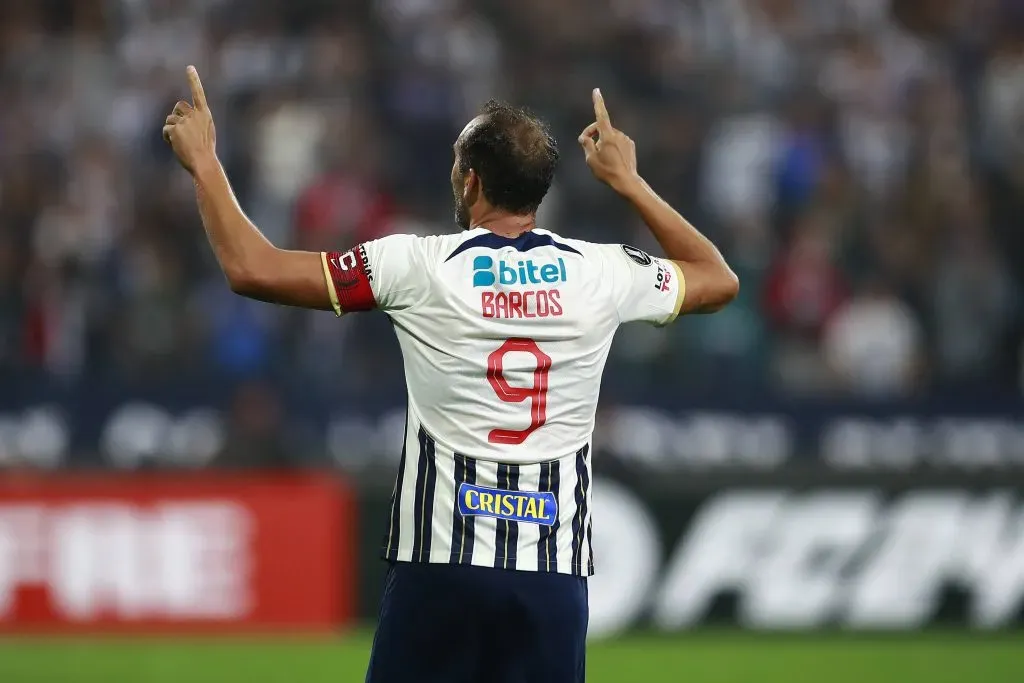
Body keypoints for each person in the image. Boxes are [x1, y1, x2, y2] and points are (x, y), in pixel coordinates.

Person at [163, 66, 738, 683]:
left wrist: (204, 164)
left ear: (471, 180)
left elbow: (255, 268)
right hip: (551, 570)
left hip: (440, 565)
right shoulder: (602, 273)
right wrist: (630, 182)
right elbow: (717, 279)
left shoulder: (417, 264)